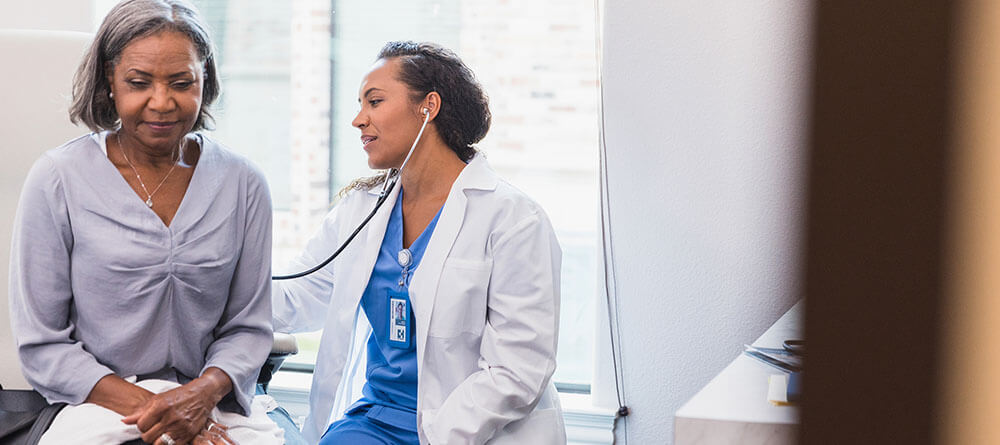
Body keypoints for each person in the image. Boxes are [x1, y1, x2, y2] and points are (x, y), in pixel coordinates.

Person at [8, 1, 292, 444]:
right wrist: (165, 415)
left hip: (208, 400)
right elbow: (44, 345)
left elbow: (248, 328)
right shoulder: (58, 178)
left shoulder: (243, 183)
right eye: (138, 84)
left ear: (205, 81)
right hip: (97, 404)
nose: (161, 103)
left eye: (182, 83)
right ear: (110, 81)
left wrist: (197, 399)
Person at [272, 41, 566, 444]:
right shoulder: (361, 210)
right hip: (375, 421)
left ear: (428, 106)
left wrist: (436, 436)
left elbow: (519, 369)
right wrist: (206, 292)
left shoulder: (513, 219)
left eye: (374, 102)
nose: (358, 120)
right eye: (360, 105)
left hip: (472, 429)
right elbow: (299, 296)